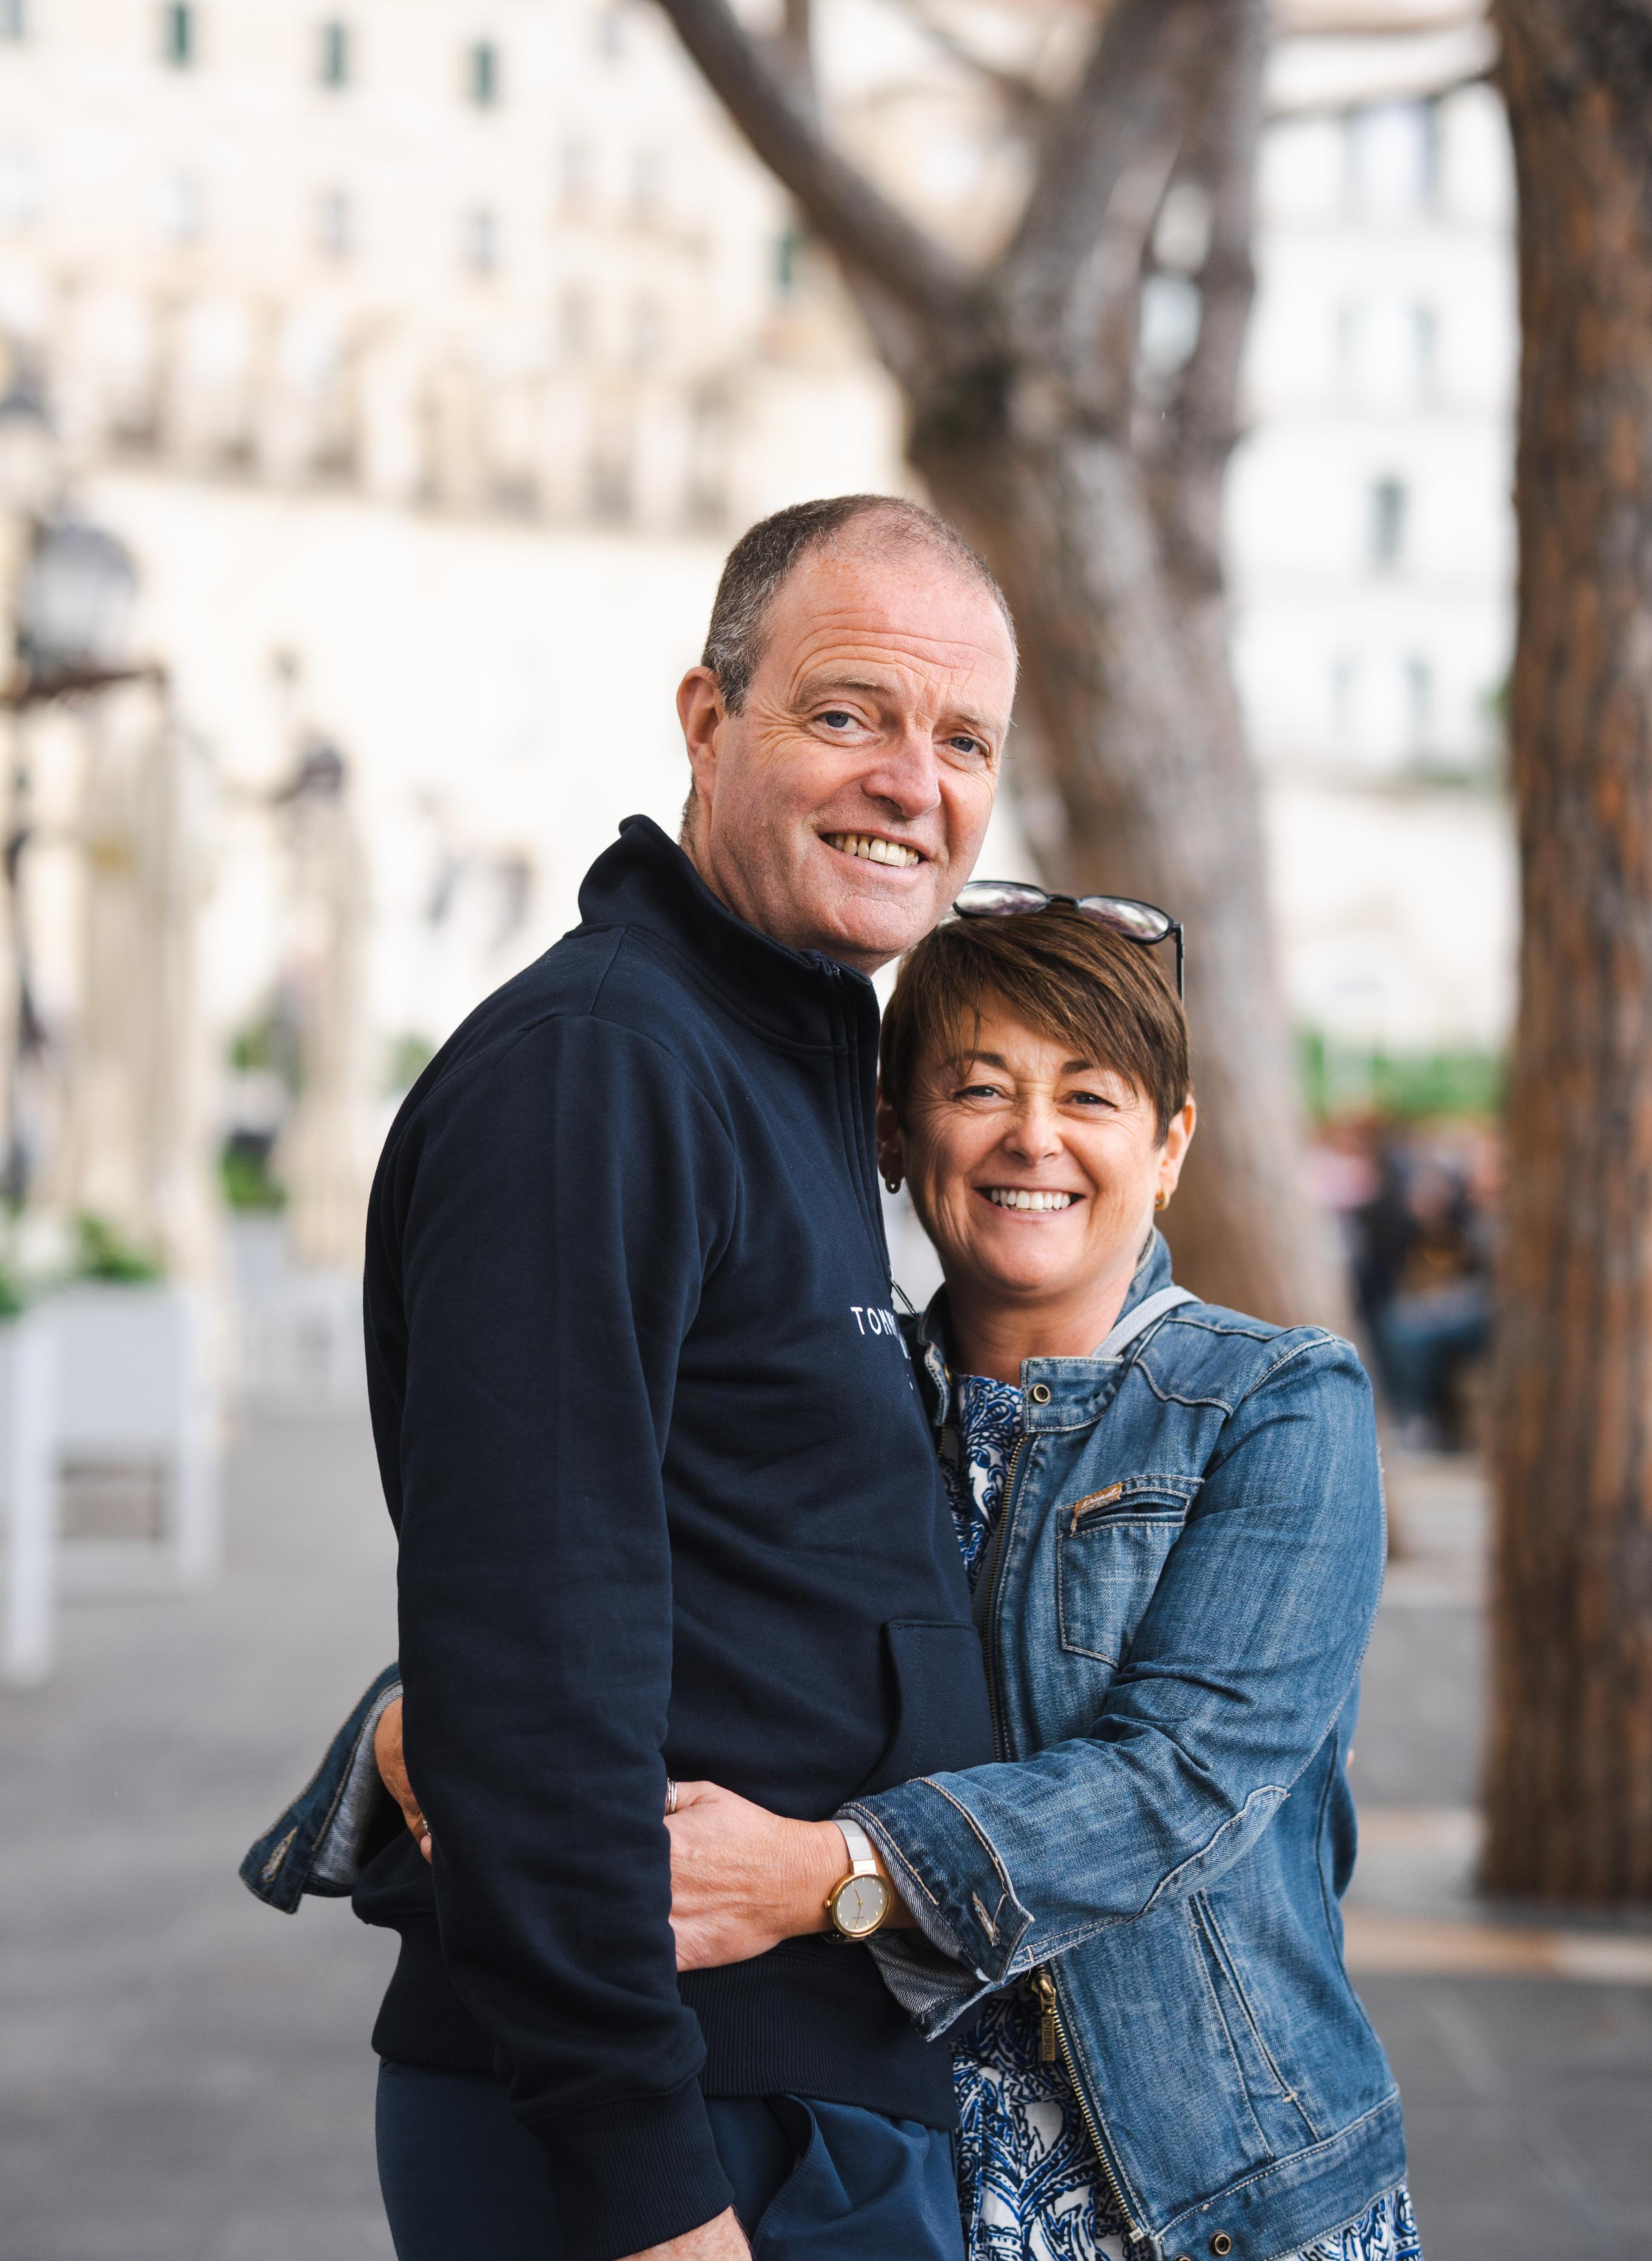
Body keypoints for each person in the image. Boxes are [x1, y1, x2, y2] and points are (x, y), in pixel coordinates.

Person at [242, 493, 1019, 2261]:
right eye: (850, 713)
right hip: (671, 2148)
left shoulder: (795, 1065)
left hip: (801, 2110)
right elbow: (536, 1655)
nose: (915, 781)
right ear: (706, 721)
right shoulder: (604, 1071)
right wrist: (648, 2191)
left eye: (963, 738)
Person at [659, 902, 1420, 2261]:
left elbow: (1181, 1778)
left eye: (1089, 1096)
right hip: (891, 2174)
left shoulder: (1275, 1403)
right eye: (978, 1088)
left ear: (1167, 1146)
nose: (1033, 1138)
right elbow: (630, 1606)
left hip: (1210, 2193)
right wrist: (415, 1724)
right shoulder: (820, 1393)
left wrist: (826, 1871)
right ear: (893, 1136)